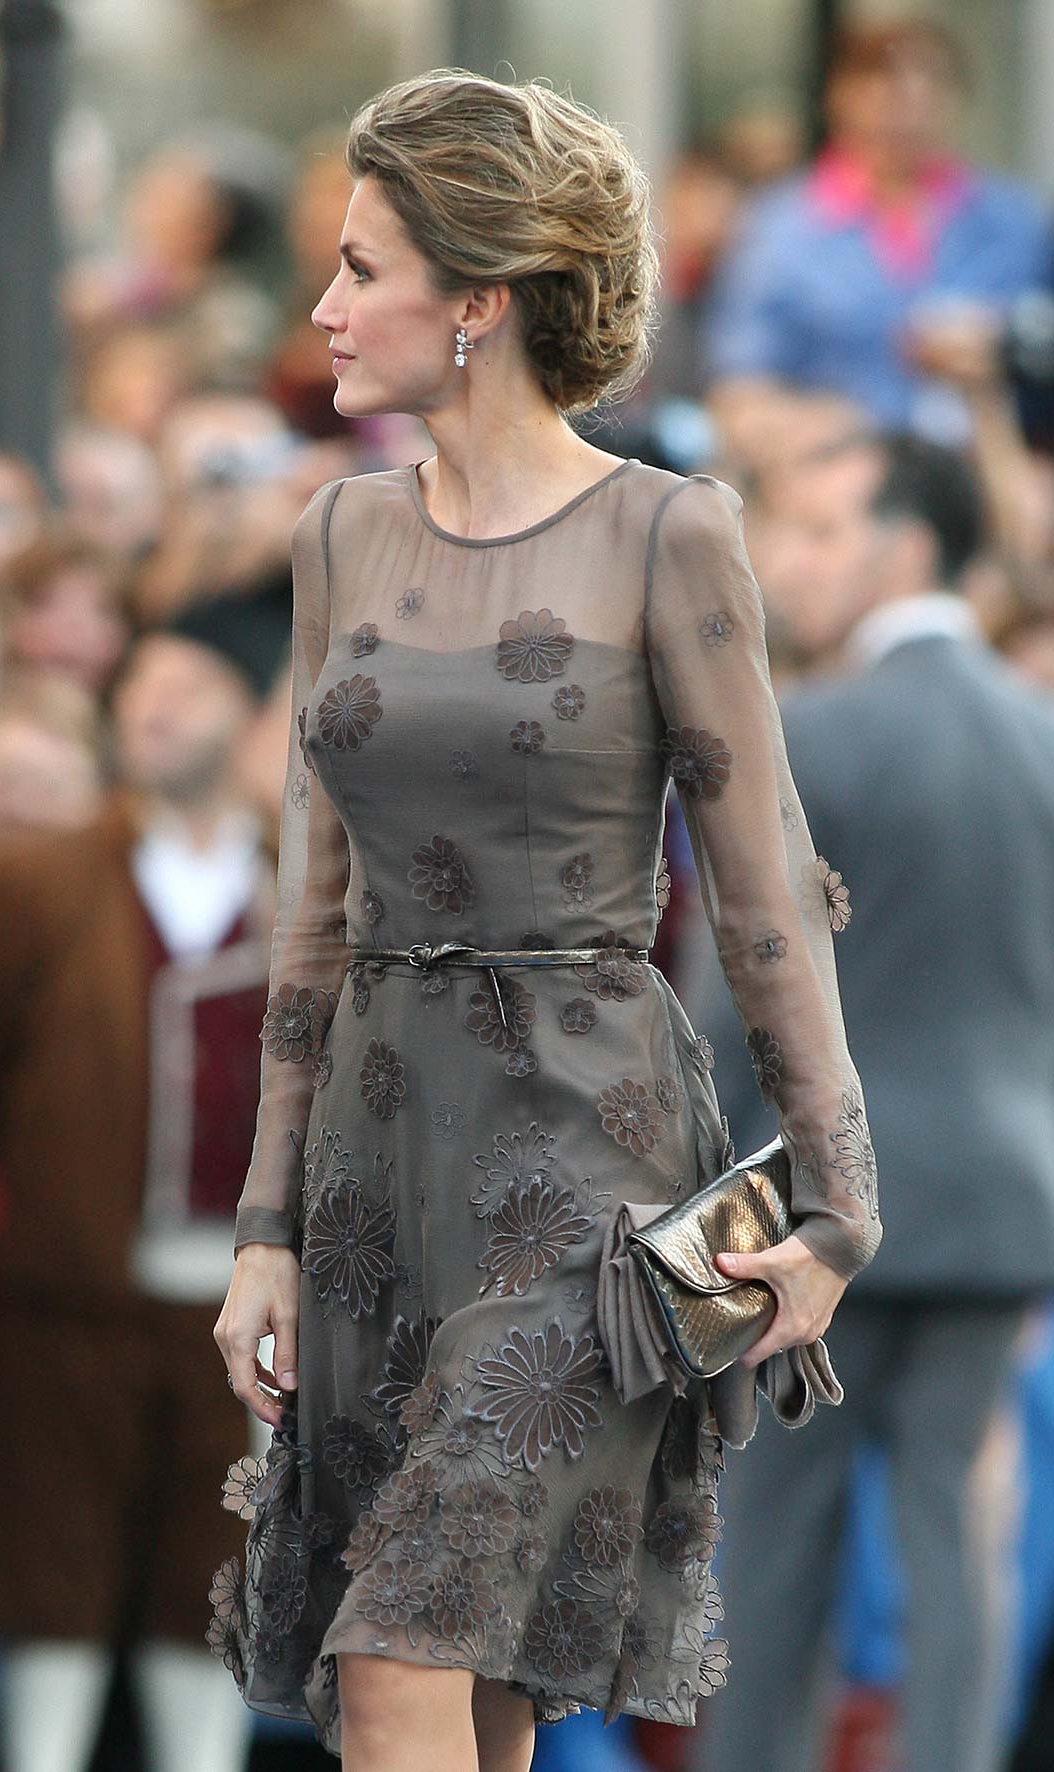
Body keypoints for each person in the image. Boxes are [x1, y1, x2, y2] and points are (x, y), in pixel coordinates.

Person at [211, 69, 881, 1772]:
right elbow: (313, 915)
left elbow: (763, 883)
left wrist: (837, 1202)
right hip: (376, 1158)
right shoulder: (340, 535)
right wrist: (266, 1227)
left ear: (480, 299)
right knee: (473, 1693)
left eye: (363, 267)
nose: (325, 307)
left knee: (401, 1650)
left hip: (585, 1162)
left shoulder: (671, 532)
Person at [685, 432, 1054, 1772]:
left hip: (813, 1215)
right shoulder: (1042, 735)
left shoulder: (813, 734)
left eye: (827, 530)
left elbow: (734, 989)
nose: (793, 558)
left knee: (783, 1536)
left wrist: (704, 1227)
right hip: (1005, 1202)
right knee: (956, 1528)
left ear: (905, 548)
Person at [0, 592, 291, 1772]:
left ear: (250, 720)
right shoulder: (42, 880)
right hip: (71, 1301)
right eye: (140, 685)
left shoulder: (302, 893)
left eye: (187, 691)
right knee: (53, 1587)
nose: (152, 708)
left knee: (212, 1583)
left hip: (236, 1314)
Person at [703, 20, 1051, 457]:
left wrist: (1002, 353)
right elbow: (737, 390)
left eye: (929, 85)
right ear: (838, 97)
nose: (907, 107)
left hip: (991, 479)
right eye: (885, 86)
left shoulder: (1013, 222)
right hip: (838, 485)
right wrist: (832, 422)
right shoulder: (779, 229)